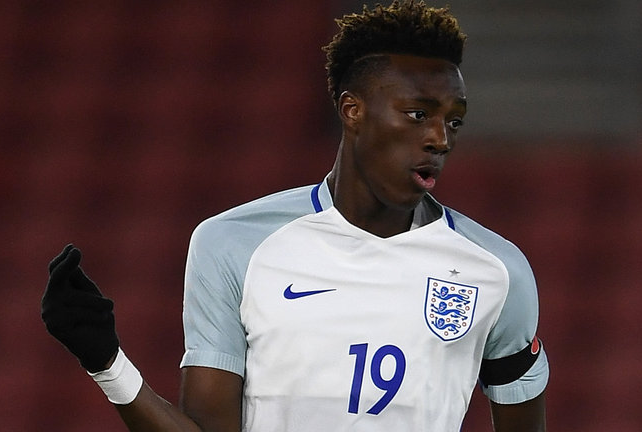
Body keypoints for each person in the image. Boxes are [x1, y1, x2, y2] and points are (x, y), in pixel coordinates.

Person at [41, 1, 549, 430]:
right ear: (352, 110)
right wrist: (108, 363)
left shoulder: (497, 271)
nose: (440, 139)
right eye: (418, 114)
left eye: (453, 121)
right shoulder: (233, 244)